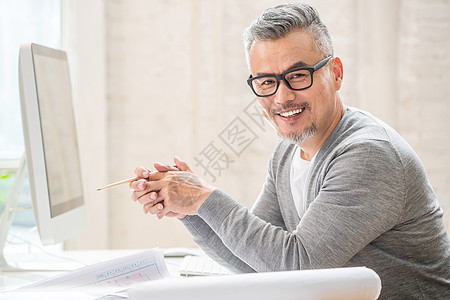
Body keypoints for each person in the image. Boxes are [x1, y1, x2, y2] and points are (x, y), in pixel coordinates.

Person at [129, 3, 450, 299]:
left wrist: (203, 197)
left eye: (298, 75)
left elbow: (300, 268)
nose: (282, 97)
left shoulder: (369, 156)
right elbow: (257, 265)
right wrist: (190, 210)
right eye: (267, 82)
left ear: (336, 73)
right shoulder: (287, 155)